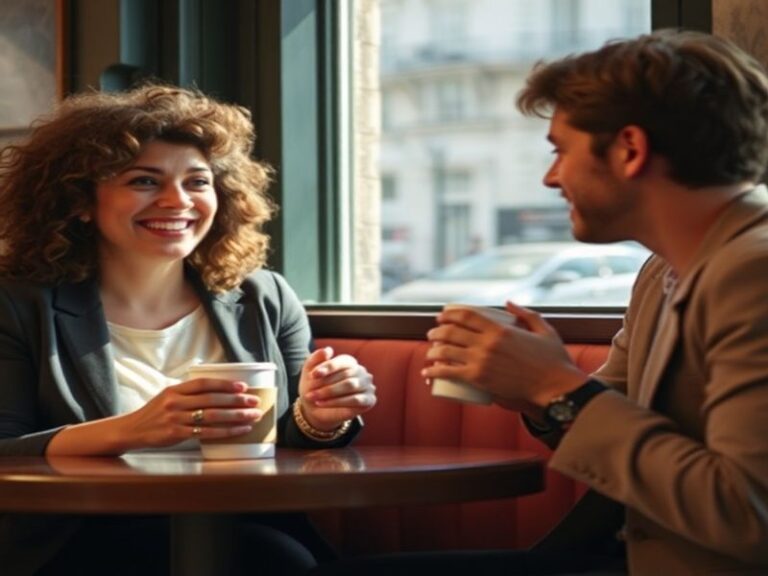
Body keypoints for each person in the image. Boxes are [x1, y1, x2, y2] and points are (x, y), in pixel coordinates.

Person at [312, 29, 768, 575]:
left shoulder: (753, 272)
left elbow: (749, 516)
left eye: (560, 151)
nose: (551, 177)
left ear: (630, 149)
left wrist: (555, 384)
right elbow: (609, 411)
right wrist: (529, 391)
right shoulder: (663, 269)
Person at [0, 84, 377, 575]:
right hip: (80, 539)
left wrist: (321, 415)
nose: (177, 201)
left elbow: (290, 437)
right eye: (143, 181)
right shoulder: (15, 305)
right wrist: (132, 430)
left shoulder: (265, 297)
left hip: (249, 523)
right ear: (79, 201)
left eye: (197, 182)